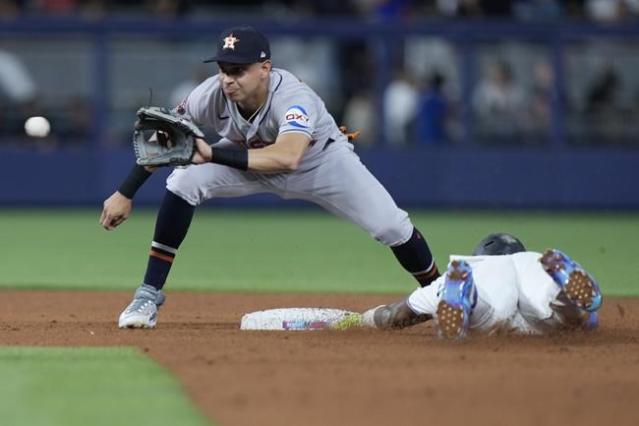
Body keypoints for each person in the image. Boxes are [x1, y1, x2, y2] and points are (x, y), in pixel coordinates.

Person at [100, 26, 441, 329]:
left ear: (265, 69)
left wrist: (212, 153)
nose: (228, 79)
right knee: (184, 181)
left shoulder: (293, 97)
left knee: (392, 226)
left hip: (320, 162)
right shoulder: (210, 94)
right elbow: (164, 139)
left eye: (238, 70)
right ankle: (147, 295)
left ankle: (441, 295)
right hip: (248, 160)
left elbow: (288, 156)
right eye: (223, 69)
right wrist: (124, 192)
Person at [340, 233, 602, 339]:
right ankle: (565, 295)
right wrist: (585, 320)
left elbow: (396, 315)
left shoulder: (480, 264)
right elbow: (591, 323)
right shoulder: (531, 260)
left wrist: (366, 319)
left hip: (481, 284)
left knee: (486, 310)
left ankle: (465, 294)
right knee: (561, 311)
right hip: (540, 290)